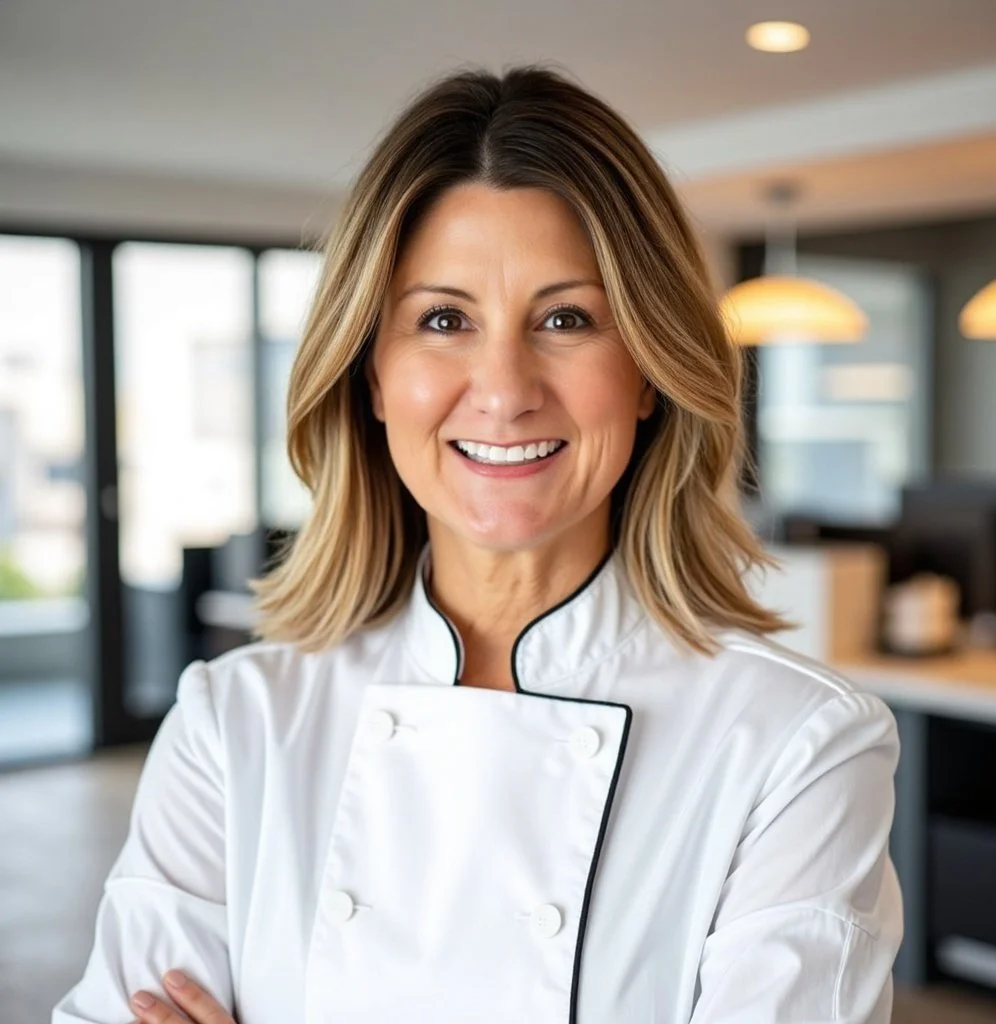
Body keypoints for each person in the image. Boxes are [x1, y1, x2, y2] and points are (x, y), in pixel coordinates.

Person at [54, 65, 902, 1024]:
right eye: (444, 319)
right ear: (372, 374)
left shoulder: (798, 745)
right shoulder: (235, 722)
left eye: (566, 319)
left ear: (651, 373)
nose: (504, 390)